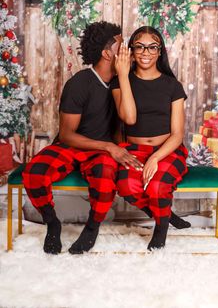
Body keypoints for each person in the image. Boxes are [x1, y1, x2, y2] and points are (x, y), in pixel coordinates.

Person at [22, 21, 143, 255]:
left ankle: (92, 228)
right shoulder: (79, 83)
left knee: (106, 175)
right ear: (108, 53)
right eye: (121, 44)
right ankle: (52, 223)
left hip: (101, 152)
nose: (127, 49)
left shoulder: (125, 82)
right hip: (74, 144)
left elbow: (128, 121)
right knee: (35, 172)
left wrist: (114, 148)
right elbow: (67, 134)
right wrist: (108, 146)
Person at [111, 26, 190, 251]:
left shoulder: (172, 86)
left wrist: (156, 158)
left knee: (156, 187)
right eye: (140, 46)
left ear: (159, 51)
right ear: (132, 51)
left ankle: (161, 226)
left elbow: (177, 134)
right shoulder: (120, 83)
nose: (146, 52)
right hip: (134, 149)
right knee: (127, 186)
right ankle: (166, 214)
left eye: (152, 47)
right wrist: (124, 76)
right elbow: (129, 118)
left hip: (167, 149)